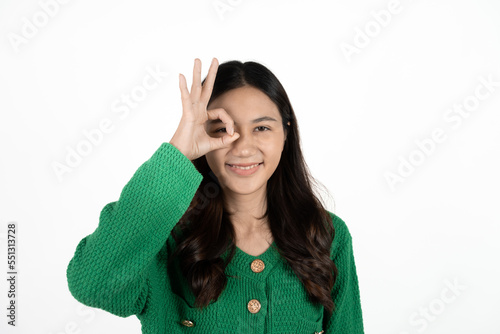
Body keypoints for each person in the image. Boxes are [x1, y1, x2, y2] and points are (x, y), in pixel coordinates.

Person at [66, 58, 364, 333]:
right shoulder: (163, 238)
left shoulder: (327, 235)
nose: (243, 147)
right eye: (222, 129)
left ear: (286, 132)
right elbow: (92, 284)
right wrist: (178, 152)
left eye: (261, 127)